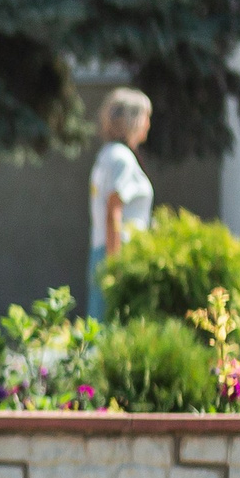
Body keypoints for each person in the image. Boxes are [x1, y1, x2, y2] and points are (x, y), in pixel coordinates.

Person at [86, 87, 154, 320]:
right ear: (133, 120)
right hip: (119, 251)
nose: (148, 124)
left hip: (102, 249)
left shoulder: (107, 154)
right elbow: (113, 213)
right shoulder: (122, 159)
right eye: (146, 117)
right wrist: (115, 268)